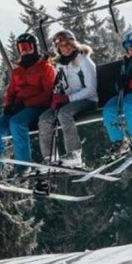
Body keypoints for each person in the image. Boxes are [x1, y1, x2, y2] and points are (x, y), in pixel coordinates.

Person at [0, 33, 55, 179]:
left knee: (17, 124)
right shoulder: (17, 71)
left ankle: (23, 167)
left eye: (27, 48)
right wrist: (8, 105)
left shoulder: (45, 68)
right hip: (17, 108)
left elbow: (49, 94)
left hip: (37, 107)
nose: (24, 51)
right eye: (21, 48)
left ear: (34, 48)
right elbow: (11, 91)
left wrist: (26, 103)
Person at [37, 29, 98, 167]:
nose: (65, 49)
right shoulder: (60, 64)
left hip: (88, 100)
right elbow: (60, 84)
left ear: (73, 44)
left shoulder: (84, 61)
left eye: (67, 45)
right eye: (61, 47)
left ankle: (74, 154)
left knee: (64, 114)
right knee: (44, 118)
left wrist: (68, 99)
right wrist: (56, 98)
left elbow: (91, 90)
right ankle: (49, 158)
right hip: (67, 101)